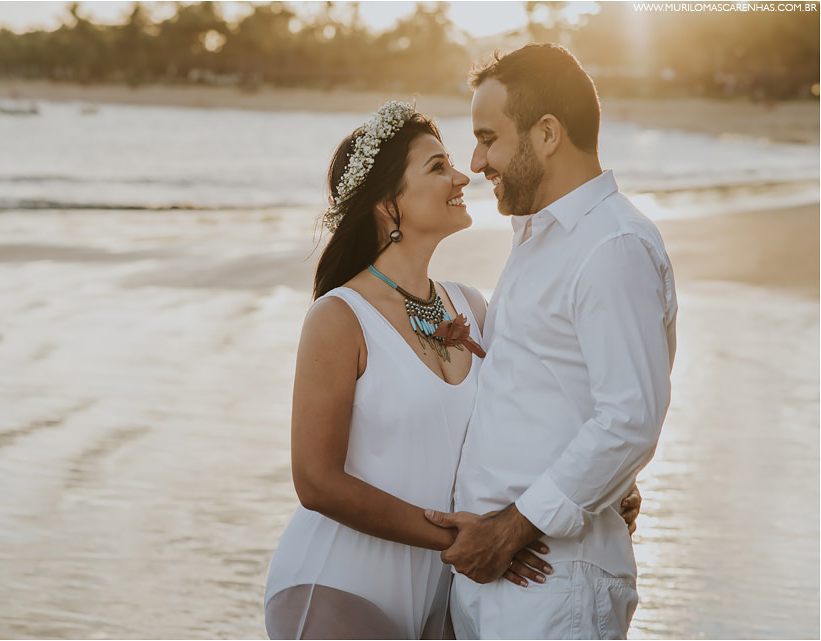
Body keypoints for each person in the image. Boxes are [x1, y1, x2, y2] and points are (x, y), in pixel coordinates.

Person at [263, 101, 642, 639]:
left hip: (446, 596)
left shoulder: (472, 306)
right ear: (387, 204)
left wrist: (603, 488)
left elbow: (537, 414)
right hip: (338, 586)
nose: (463, 174)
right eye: (438, 167)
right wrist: (476, 540)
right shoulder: (339, 317)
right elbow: (316, 481)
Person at [424, 44, 678, 639]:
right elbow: (556, 394)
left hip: (554, 582)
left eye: (488, 138)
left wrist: (512, 529)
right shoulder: (540, 238)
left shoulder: (612, 247)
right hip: (503, 577)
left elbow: (630, 418)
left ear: (546, 134)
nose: (476, 160)